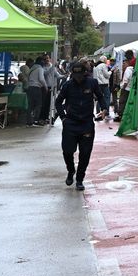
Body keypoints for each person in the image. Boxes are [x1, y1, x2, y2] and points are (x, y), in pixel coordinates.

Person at [55, 61, 109, 191]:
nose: (78, 78)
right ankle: (71, 170)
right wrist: (63, 118)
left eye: (80, 75)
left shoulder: (92, 83)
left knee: (85, 154)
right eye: (75, 75)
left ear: (85, 73)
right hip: (71, 123)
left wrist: (104, 109)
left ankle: (80, 179)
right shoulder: (67, 85)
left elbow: (101, 97)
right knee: (67, 151)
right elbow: (58, 102)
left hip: (86, 123)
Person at [25, 56, 47, 126]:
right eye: (43, 61)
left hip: (30, 88)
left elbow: (28, 77)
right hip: (36, 88)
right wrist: (45, 86)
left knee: (30, 105)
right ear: (41, 61)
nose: (44, 62)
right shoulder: (40, 68)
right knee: (38, 104)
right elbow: (41, 79)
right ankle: (36, 120)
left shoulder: (31, 68)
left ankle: (29, 121)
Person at [92, 56, 113, 124]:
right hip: (104, 84)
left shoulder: (96, 66)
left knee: (99, 98)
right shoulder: (103, 65)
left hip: (98, 84)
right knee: (107, 97)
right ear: (104, 60)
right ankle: (105, 112)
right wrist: (110, 72)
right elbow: (106, 75)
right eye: (106, 60)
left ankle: (98, 112)